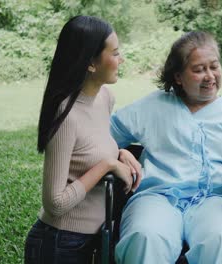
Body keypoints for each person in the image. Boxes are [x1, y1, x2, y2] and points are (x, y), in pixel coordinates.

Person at [110, 31, 222, 263]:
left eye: (214, 67)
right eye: (199, 70)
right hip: (156, 196)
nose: (210, 76)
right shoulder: (152, 106)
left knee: (221, 237)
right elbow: (100, 138)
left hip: (214, 200)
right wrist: (119, 152)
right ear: (178, 76)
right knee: (145, 236)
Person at [24, 15, 142, 264]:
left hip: (93, 240)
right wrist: (107, 166)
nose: (122, 59)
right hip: (59, 244)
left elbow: (91, 145)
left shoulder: (104, 98)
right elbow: (55, 202)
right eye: (115, 53)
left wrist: (120, 153)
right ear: (90, 62)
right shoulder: (66, 115)